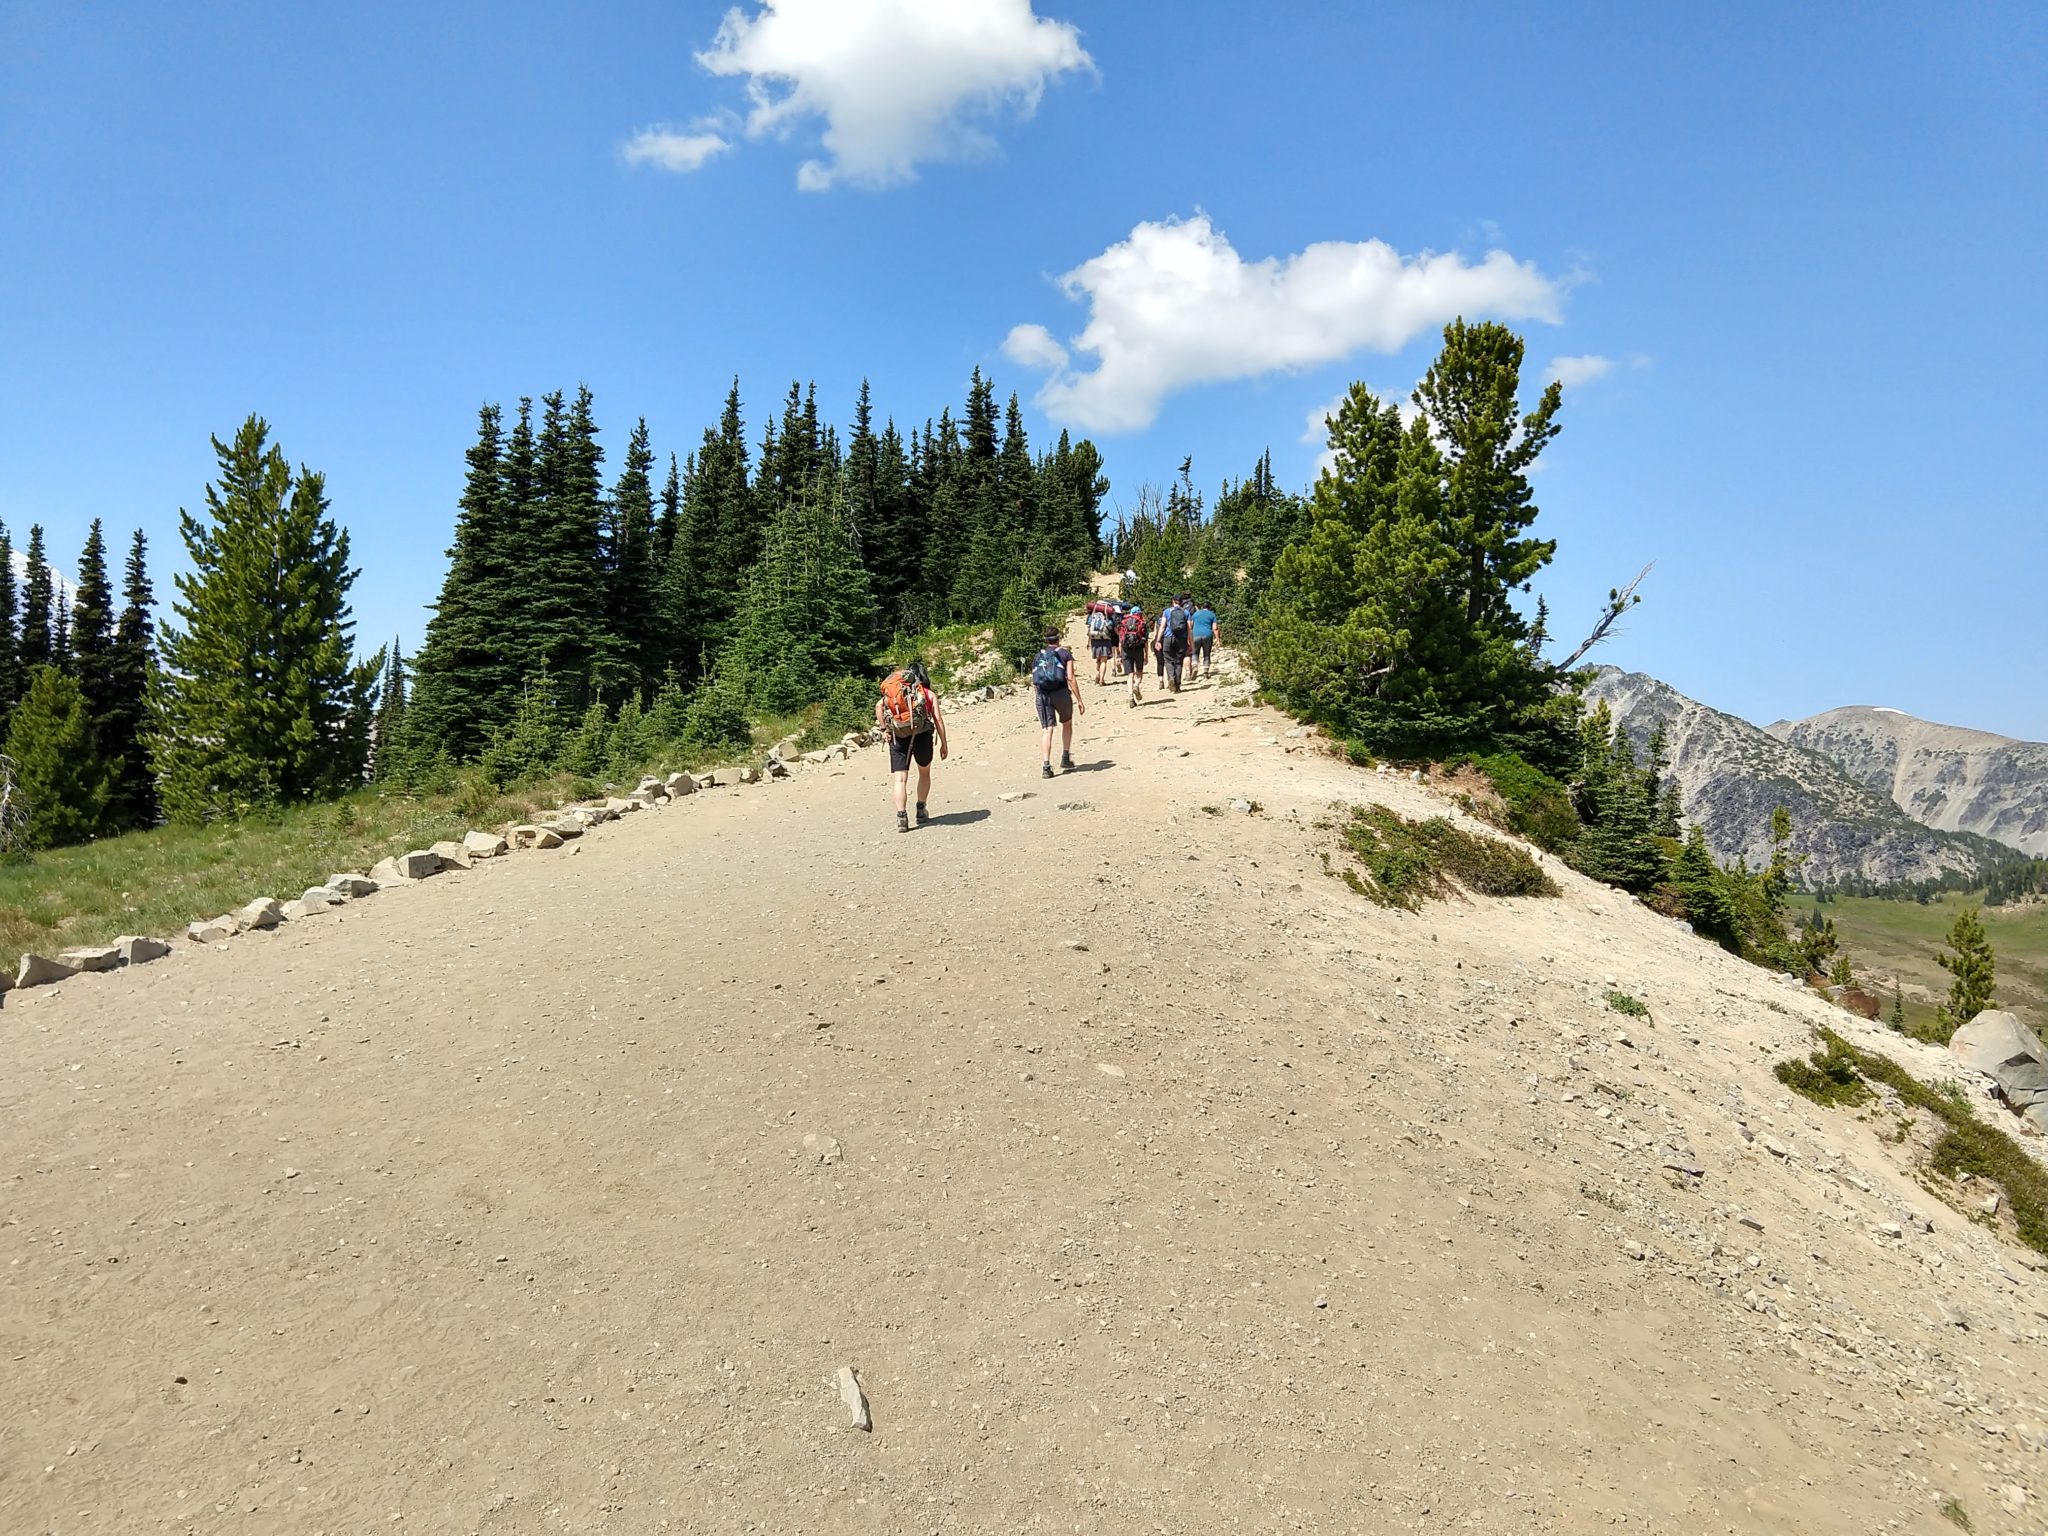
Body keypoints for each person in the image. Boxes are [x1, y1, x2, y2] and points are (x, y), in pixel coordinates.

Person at [875, 660, 947, 833]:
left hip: (897, 736)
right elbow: (937, 718)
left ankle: (901, 818)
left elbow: (878, 706)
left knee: (900, 779)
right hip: (922, 736)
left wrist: (884, 729)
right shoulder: (928, 694)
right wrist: (944, 743)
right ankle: (921, 810)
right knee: (924, 773)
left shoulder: (894, 693)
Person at [1029, 625, 1085, 776]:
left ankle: (1046, 766)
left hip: (1043, 694)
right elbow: (1071, 678)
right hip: (1061, 693)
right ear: (1059, 638)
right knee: (1067, 723)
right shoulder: (1065, 654)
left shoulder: (1038, 656)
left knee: (1047, 729)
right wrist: (1079, 699)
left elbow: (1034, 679)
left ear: (1046, 640)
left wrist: (1039, 696)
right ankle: (1065, 757)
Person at [1159, 593, 1194, 693]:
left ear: (1173, 601)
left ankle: (1170, 677)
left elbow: (1162, 627)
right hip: (1181, 639)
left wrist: (1158, 640)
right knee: (1178, 662)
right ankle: (1177, 685)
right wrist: (1191, 643)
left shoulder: (1167, 611)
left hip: (1168, 638)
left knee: (1168, 660)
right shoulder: (1186, 613)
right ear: (1182, 602)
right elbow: (1189, 629)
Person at [1117, 603, 1149, 705]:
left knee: (1130, 675)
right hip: (1138, 650)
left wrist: (1119, 655)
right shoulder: (1142, 623)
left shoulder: (1124, 622)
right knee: (1139, 673)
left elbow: (1121, 640)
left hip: (1126, 650)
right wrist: (1146, 655)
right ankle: (1136, 685)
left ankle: (1130, 697)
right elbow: (1146, 641)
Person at [1085, 601, 1116, 685]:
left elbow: (1089, 628)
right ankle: (1102, 679)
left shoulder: (1092, 616)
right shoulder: (1108, 617)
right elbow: (1112, 627)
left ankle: (1097, 675)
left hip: (1094, 640)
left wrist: (1088, 642)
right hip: (1105, 640)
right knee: (1104, 660)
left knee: (1098, 659)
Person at [1189, 600, 1219, 679]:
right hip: (1207, 635)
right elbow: (1215, 628)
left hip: (1196, 635)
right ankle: (1205, 672)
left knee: (1195, 653)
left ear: (1202, 607)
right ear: (1209, 607)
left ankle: (1195, 667)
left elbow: (1190, 625)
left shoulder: (1195, 614)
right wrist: (1217, 639)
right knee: (1206, 654)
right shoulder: (1212, 615)